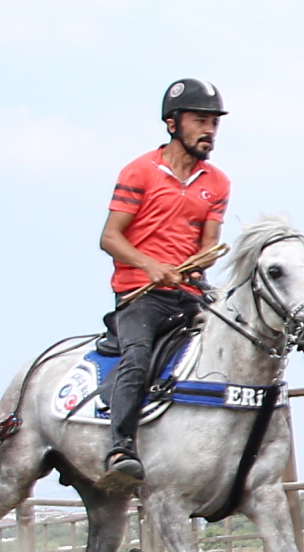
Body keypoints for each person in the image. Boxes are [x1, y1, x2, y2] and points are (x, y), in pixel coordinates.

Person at [96, 77, 231, 485]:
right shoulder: (139, 172)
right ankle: (120, 448)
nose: (209, 130)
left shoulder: (218, 183)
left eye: (214, 123)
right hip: (140, 294)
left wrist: (195, 267)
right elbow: (109, 238)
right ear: (173, 123)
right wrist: (151, 266)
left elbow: (208, 248)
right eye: (200, 120)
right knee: (137, 358)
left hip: (188, 295)